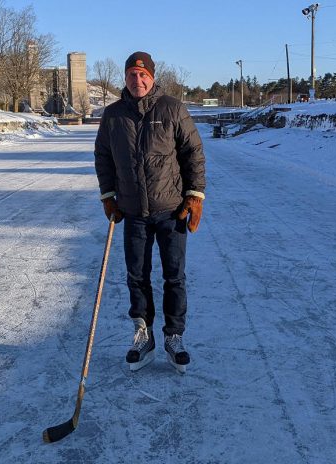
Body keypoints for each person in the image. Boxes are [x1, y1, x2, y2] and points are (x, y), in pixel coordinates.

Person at [94, 51, 206, 374]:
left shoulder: (172, 109)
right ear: (125, 78)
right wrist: (108, 196)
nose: (137, 80)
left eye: (143, 75)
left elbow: (193, 153)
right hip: (133, 212)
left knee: (174, 276)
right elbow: (102, 155)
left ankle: (173, 336)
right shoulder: (113, 115)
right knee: (137, 276)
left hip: (171, 211)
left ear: (152, 78)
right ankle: (143, 334)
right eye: (132, 75)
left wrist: (194, 196)